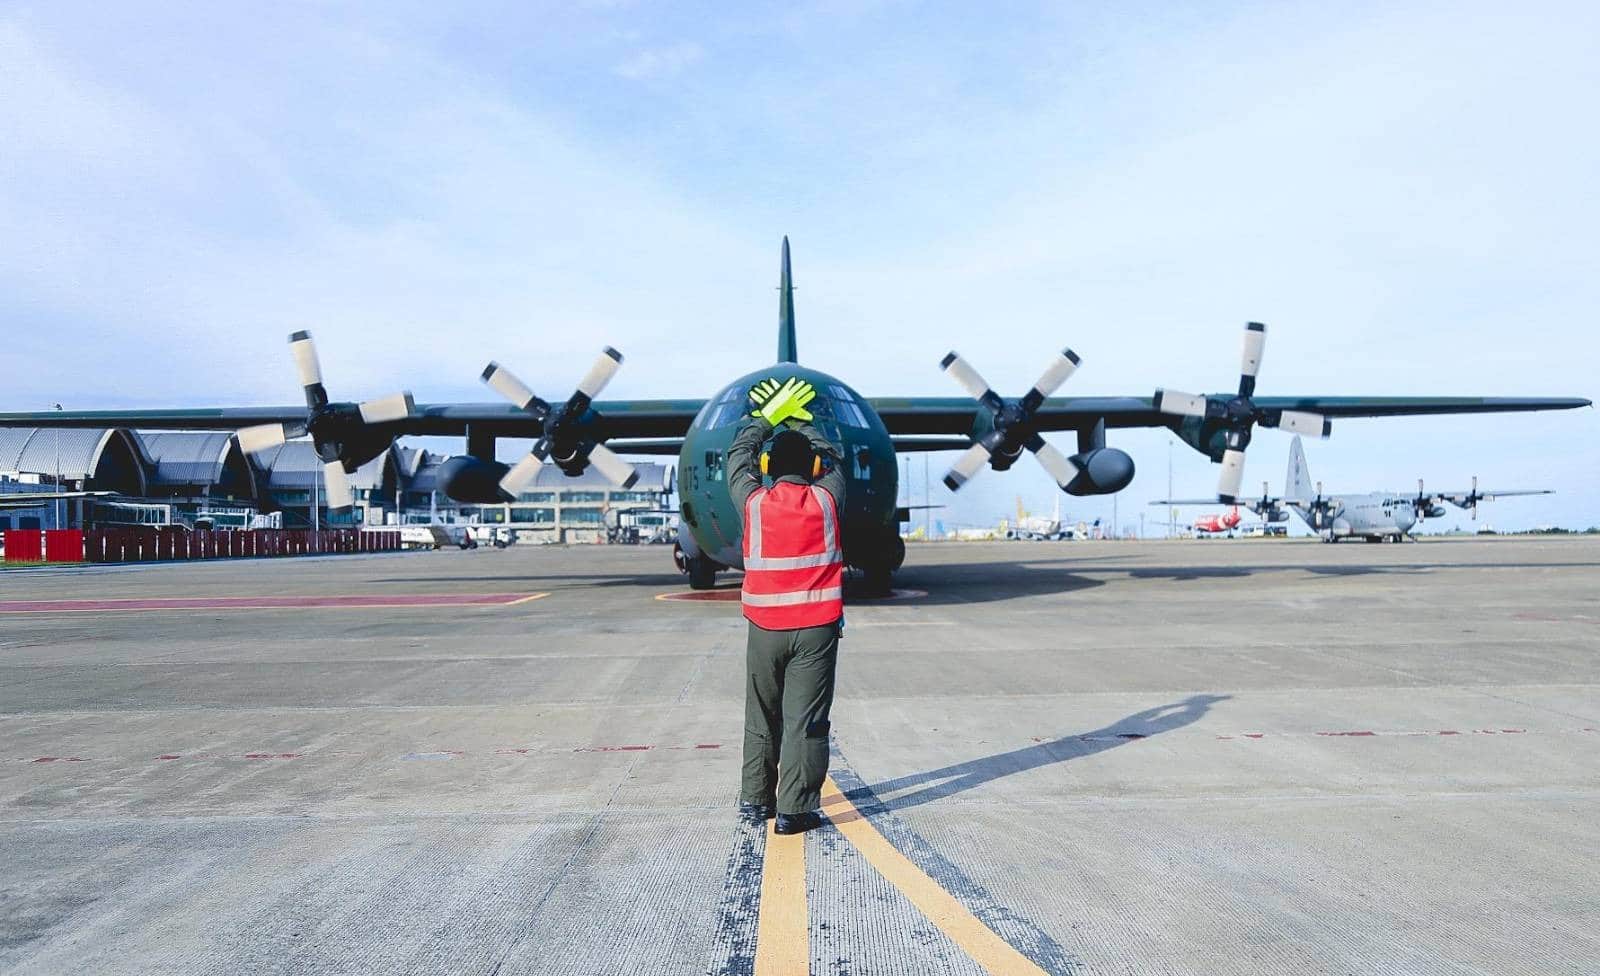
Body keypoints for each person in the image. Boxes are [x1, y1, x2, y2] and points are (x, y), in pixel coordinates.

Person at [726, 377, 847, 835]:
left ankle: (755, 801)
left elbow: (738, 458)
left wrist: (762, 419)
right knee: (806, 721)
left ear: (766, 467)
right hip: (816, 628)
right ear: (812, 466)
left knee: (761, 715)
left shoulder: (753, 503)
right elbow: (832, 458)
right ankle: (795, 810)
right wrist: (806, 421)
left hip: (764, 628)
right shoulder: (826, 498)